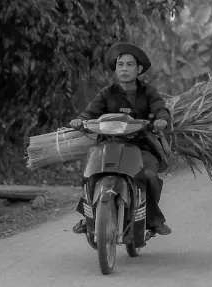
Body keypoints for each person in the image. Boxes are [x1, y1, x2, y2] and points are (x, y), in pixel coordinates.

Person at [70, 42, 173, 236]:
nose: (124, 69)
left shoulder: (148, 92)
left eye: (129, 65)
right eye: (120, 65)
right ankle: (89, 217)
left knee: (149, 176)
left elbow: (161, 109)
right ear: (116, 69)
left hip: (141, 147)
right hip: (109, 145)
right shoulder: (107, 93)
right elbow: (90, 111)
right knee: (90, 175)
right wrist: (81, 120)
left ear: (139, 69)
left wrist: (161, 120)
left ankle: (153, 219)